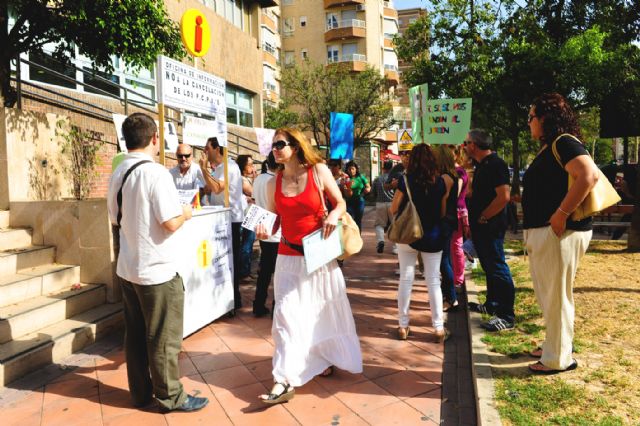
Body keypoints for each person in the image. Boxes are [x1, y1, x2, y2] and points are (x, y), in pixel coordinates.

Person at [107, 113, 208, 412]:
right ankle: (171, 396)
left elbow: (115, 219)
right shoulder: (155, 173)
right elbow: (170, 222)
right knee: (164, 338)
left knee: (136, 335)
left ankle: (140, 393)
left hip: (128, 268)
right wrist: (186, 213)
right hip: (157, 271)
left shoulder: (118, 172)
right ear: (155, 139)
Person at [255, 128, 362, 405]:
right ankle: (283, 379)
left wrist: (333, 216)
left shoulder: (318, 171)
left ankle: (320, 358)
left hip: (318, 256)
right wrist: (264, 230)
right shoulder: (272, 183)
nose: (275, 149)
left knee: (318, 312)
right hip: (287, 256)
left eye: (280, 144)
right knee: (285, 314)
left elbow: (340, 203)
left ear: (296, 146)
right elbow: (275, 220)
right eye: (273, 145)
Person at [523, 93, 598, 374]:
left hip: (559, 232)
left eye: (531, 117)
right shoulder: (553, 145)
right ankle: (555, 345)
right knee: (550, 295)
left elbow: (588, 175)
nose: (528, 123)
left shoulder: (563, 142)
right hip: (550, 232)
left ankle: (557, 359)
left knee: (556, 296)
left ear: (544, 118)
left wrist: (561, 214)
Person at [390, 143, 448, 343]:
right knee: (433, 281)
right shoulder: (440, 182)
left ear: (412, 160)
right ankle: (438, 328)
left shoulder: (405, 180)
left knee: (406, 279)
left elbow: (394, 208)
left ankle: (403, 326)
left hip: (409, 235)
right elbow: (442, 212)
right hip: (433, 235)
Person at [464, 129, 516, 332]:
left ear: (474, 145)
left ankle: (506, 315)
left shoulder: (496, 164)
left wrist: (485, 215)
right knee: (489, 266)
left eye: (466, 142)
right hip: (482, 227)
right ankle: (492, 303)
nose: (464, 146)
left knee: (497, 266)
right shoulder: (482, 165)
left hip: (491, 226)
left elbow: (503, 197)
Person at [199, 137, 245, 310]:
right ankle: (229, 298)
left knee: (230, 261)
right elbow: (211, 188)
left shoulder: (229, 167)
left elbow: (218, 187)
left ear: (217, 149)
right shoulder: (219, 168)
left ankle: (234, 299)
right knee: (223, 261)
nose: (205, 152)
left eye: (207, 148)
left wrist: (204, 170)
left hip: (231, 220)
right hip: (221, 220)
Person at [434, 144, 462, 312]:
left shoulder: (445, 178)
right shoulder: (453, 175)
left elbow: (442, 202)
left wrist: (439, 216)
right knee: (446, 260)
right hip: (450, 221)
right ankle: (449, 296)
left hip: (444, 221)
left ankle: (451, 298)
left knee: (444, 261)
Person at [251, 152, 280, 317]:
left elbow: (254, 202)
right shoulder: (274, 181)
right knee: (277, 272)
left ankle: (258, 304)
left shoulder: (258, 179)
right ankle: (276, 307)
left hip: (263, 230)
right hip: (276, 232)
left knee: (264, 271)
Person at [449, 145, 470, 290]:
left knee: (456, 246)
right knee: (454, 246)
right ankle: (456, 277)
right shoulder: (455, 171)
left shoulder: (459, 172)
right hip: (456, 211)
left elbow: (454, 194)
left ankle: (458, 278)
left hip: (457, 211)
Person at [236, 154, 256, 279]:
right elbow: (253, 192)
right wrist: (255, 180)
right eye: (250, 164)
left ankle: (246, 270)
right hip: (246, 216)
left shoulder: (246, 179)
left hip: (250, 214)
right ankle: (244, 273)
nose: (253, 167)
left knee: (248, 243)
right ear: (244, 166)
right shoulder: (242, 179)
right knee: (247, 244)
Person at [371, 160, 396, 254]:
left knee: (379, 224)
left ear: (383, 168)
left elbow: (372, 193)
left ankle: (380, 241)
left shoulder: (378, 179)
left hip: (380, 203)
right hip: (393, 203)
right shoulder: (395, 178)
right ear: (392, 168)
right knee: (394, 225)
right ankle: (395, 248)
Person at [343, 160, 371, 231]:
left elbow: (368, 186)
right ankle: (351, 237)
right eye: (349, 169)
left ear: (356, 169)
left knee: (358, 220)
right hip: (349, 202)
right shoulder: (345, 178)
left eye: (353, 169)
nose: (351, 171)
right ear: (347, 170)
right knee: (349, 220)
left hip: (359, 201)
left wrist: (367, 189)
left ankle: (358, 237)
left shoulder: (361, 177)